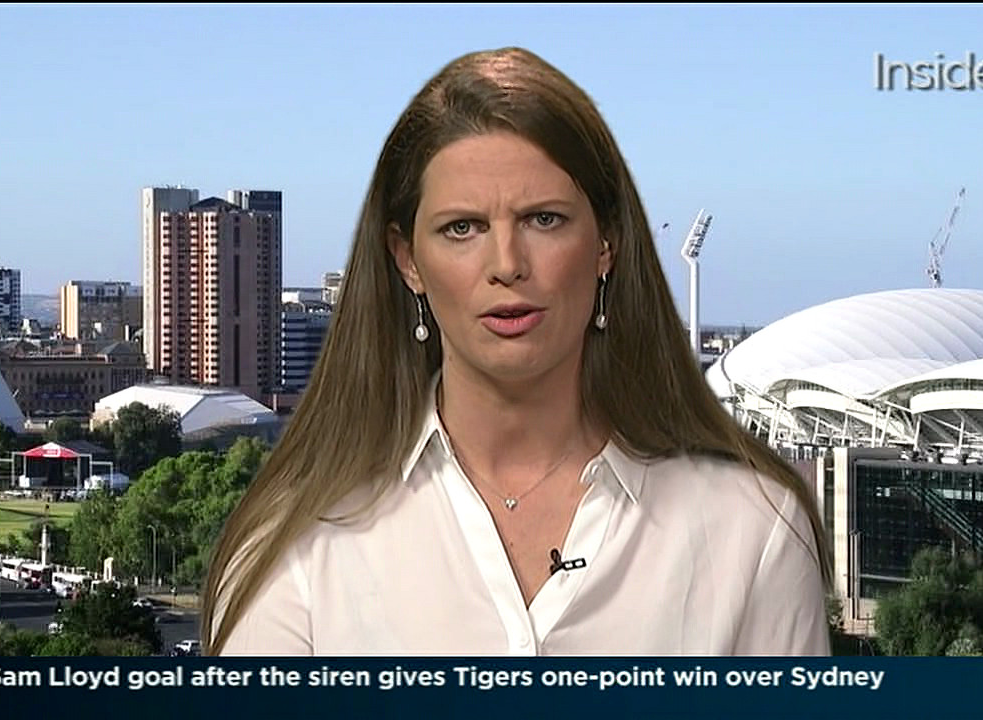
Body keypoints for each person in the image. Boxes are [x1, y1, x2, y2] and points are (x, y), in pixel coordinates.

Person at [203, 47, 831, 656]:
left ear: (606, 244)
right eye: (462, 228)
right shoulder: (296, 546)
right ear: (407, 260)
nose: (507, 264)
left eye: (544, 220)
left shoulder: (752, 529)